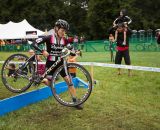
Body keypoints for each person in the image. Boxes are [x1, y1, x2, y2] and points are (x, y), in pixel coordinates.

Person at [31, 19, 83, 109]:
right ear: (56, 28)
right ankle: (40, 79)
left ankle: (75, 102)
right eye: (62, 30)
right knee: (51, 84)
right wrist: (42, 51)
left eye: (65, 31)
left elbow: (71, 50)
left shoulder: (65, 40)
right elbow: (34, 43)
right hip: (50, 64)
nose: (63, 33)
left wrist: (76, 52)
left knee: (69, 82)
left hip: (61, 64)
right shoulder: (48, 37)